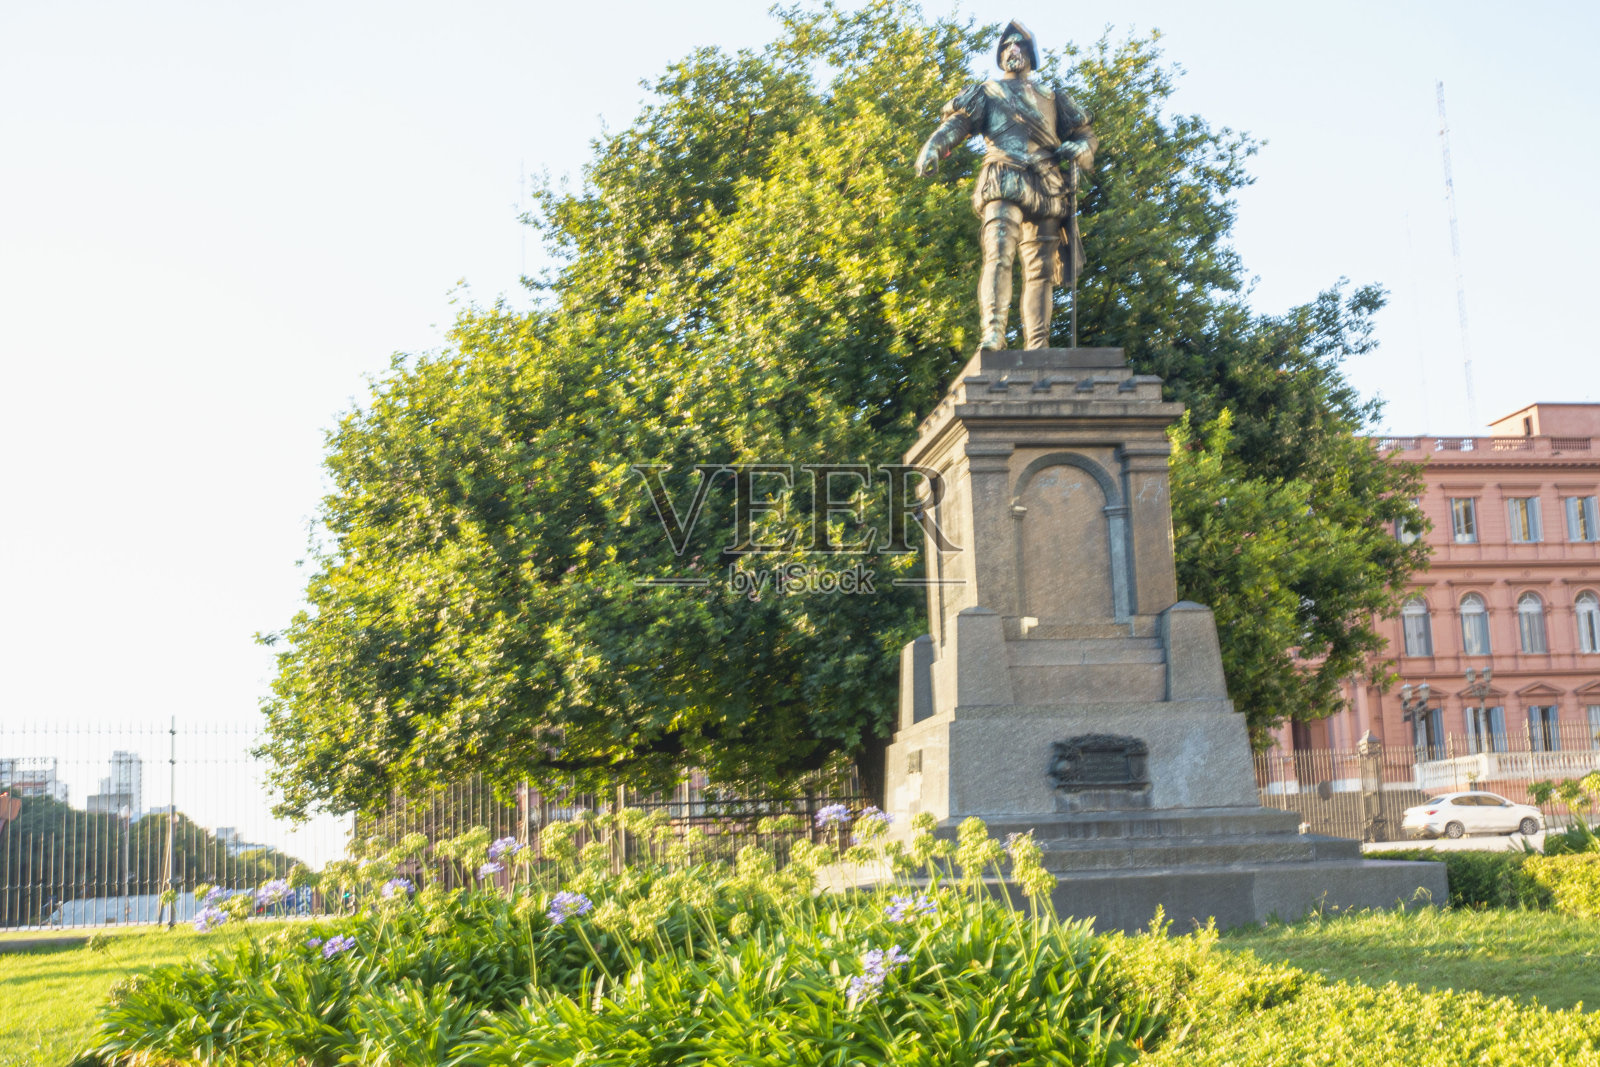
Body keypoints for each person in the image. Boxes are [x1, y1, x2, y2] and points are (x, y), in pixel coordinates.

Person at [915, 20, 1096, 350]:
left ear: (1030, 53)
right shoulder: (988, 92)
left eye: (1019, 45)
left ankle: (1038, 345)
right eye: (1007, 46)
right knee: (998, 252)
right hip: (1003, 175)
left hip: (1046, 181)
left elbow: (1085, 135)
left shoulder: (1054, 98)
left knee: (1040, 270)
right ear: (1000, 55)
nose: (1012, 49)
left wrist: (1080, 149)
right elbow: (959, 123)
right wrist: (933, 146)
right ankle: (993, 332)